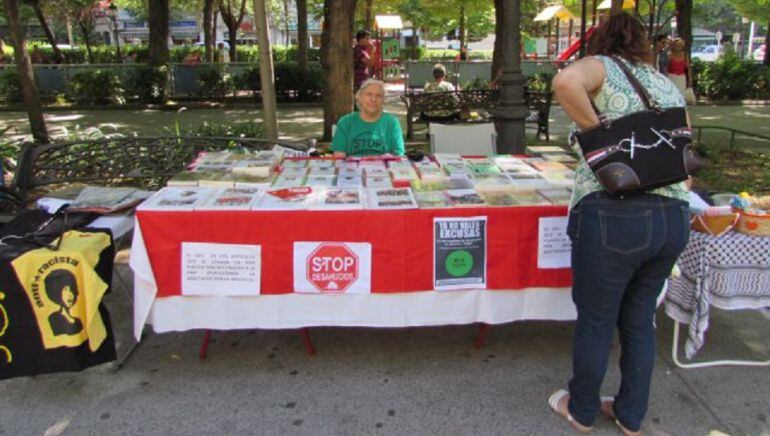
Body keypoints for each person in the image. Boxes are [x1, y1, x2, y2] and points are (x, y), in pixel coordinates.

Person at [548, 13, 690, 436]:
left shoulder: (604, 65)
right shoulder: (664, 82)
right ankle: (630, 415)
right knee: (640, 319)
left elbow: (565, 82)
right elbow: (684, 149)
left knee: (596, 319)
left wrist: (599, 136)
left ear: (603, 42)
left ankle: (583, 409)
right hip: (672, 215)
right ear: (644, 42)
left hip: (616, 212)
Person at [331, 79, 405, 157]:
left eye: (378, 95)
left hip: (384, 168)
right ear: (359, 97)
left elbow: (398, 154)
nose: (373, 99)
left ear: (383, 100)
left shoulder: (392, 123)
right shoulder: (345, 122)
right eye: (369, 94)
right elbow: (339, 154)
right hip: (353, 168)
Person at [45, 269, 84, 336]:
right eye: (66, 290)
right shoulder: (53, 318)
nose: (70, 294)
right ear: (57, 291)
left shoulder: (78, 321)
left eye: (72, 289)